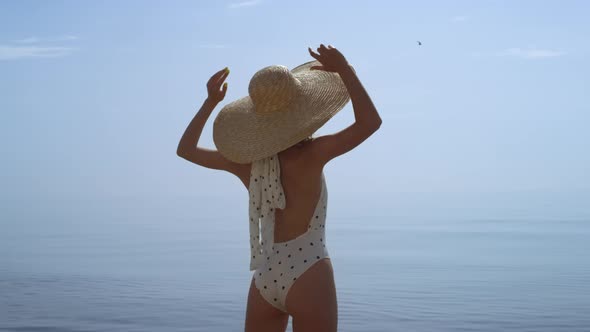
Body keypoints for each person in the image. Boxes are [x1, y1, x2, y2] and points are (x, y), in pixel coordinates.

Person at [177, 44, 382, 332]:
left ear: (256, 121)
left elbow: (185, 149)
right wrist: (345, 71)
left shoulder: (245, 163)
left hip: (265, 274)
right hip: (308, 269)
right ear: (302, 111)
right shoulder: (313, 154)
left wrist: (210, 102)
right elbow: (370, 122)